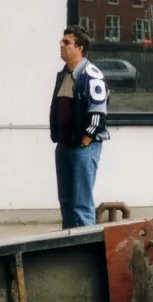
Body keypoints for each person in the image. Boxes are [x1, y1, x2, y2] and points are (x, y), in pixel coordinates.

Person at [49, 25, 109, 230]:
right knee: (66, 201)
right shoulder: (65, 74)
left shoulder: (91, 76)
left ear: (79, 47)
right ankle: (68, 244)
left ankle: (84, 248)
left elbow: (99, 112)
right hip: (65, 144)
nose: (62, 46)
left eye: (67, 42)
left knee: (81, 203)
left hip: (82, 146)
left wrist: (87, 138)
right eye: (62, 41)